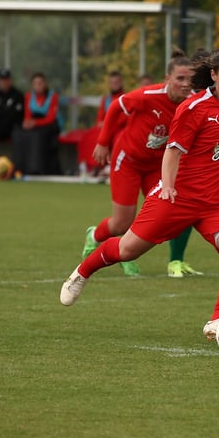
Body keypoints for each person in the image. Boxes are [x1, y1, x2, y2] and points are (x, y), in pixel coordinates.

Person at [60, 48, 219, 341]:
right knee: (127, 249)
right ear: (214, 76)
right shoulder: (195, 108)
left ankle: (218, 320)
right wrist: (167, 185)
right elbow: (172, 152)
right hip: (178, 197)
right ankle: (82, 272)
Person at [81, 49, 198, 278]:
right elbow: (115, 106)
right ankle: (95, 236)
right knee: (121, 222)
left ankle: (172, 261)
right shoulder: (148, 95)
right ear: (167, 79)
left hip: (157, 166)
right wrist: (103, 142)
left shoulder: (193, 102)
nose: (186, 84)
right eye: (180, 79)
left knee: (170, 212)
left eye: (190, 80)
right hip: (129, 161)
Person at [12, 72, 61, 175]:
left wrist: (35, 123)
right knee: (19, 133)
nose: (38, 85)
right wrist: (28, 122)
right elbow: (27, 114)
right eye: (35, 83)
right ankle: (20, 167)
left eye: (40, 83)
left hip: (49, 125)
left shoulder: (53, 96)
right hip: (35, 124)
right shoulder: (29, 96)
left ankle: (37, 168)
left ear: (45, 84)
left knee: (37, 135)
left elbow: (51, 118)